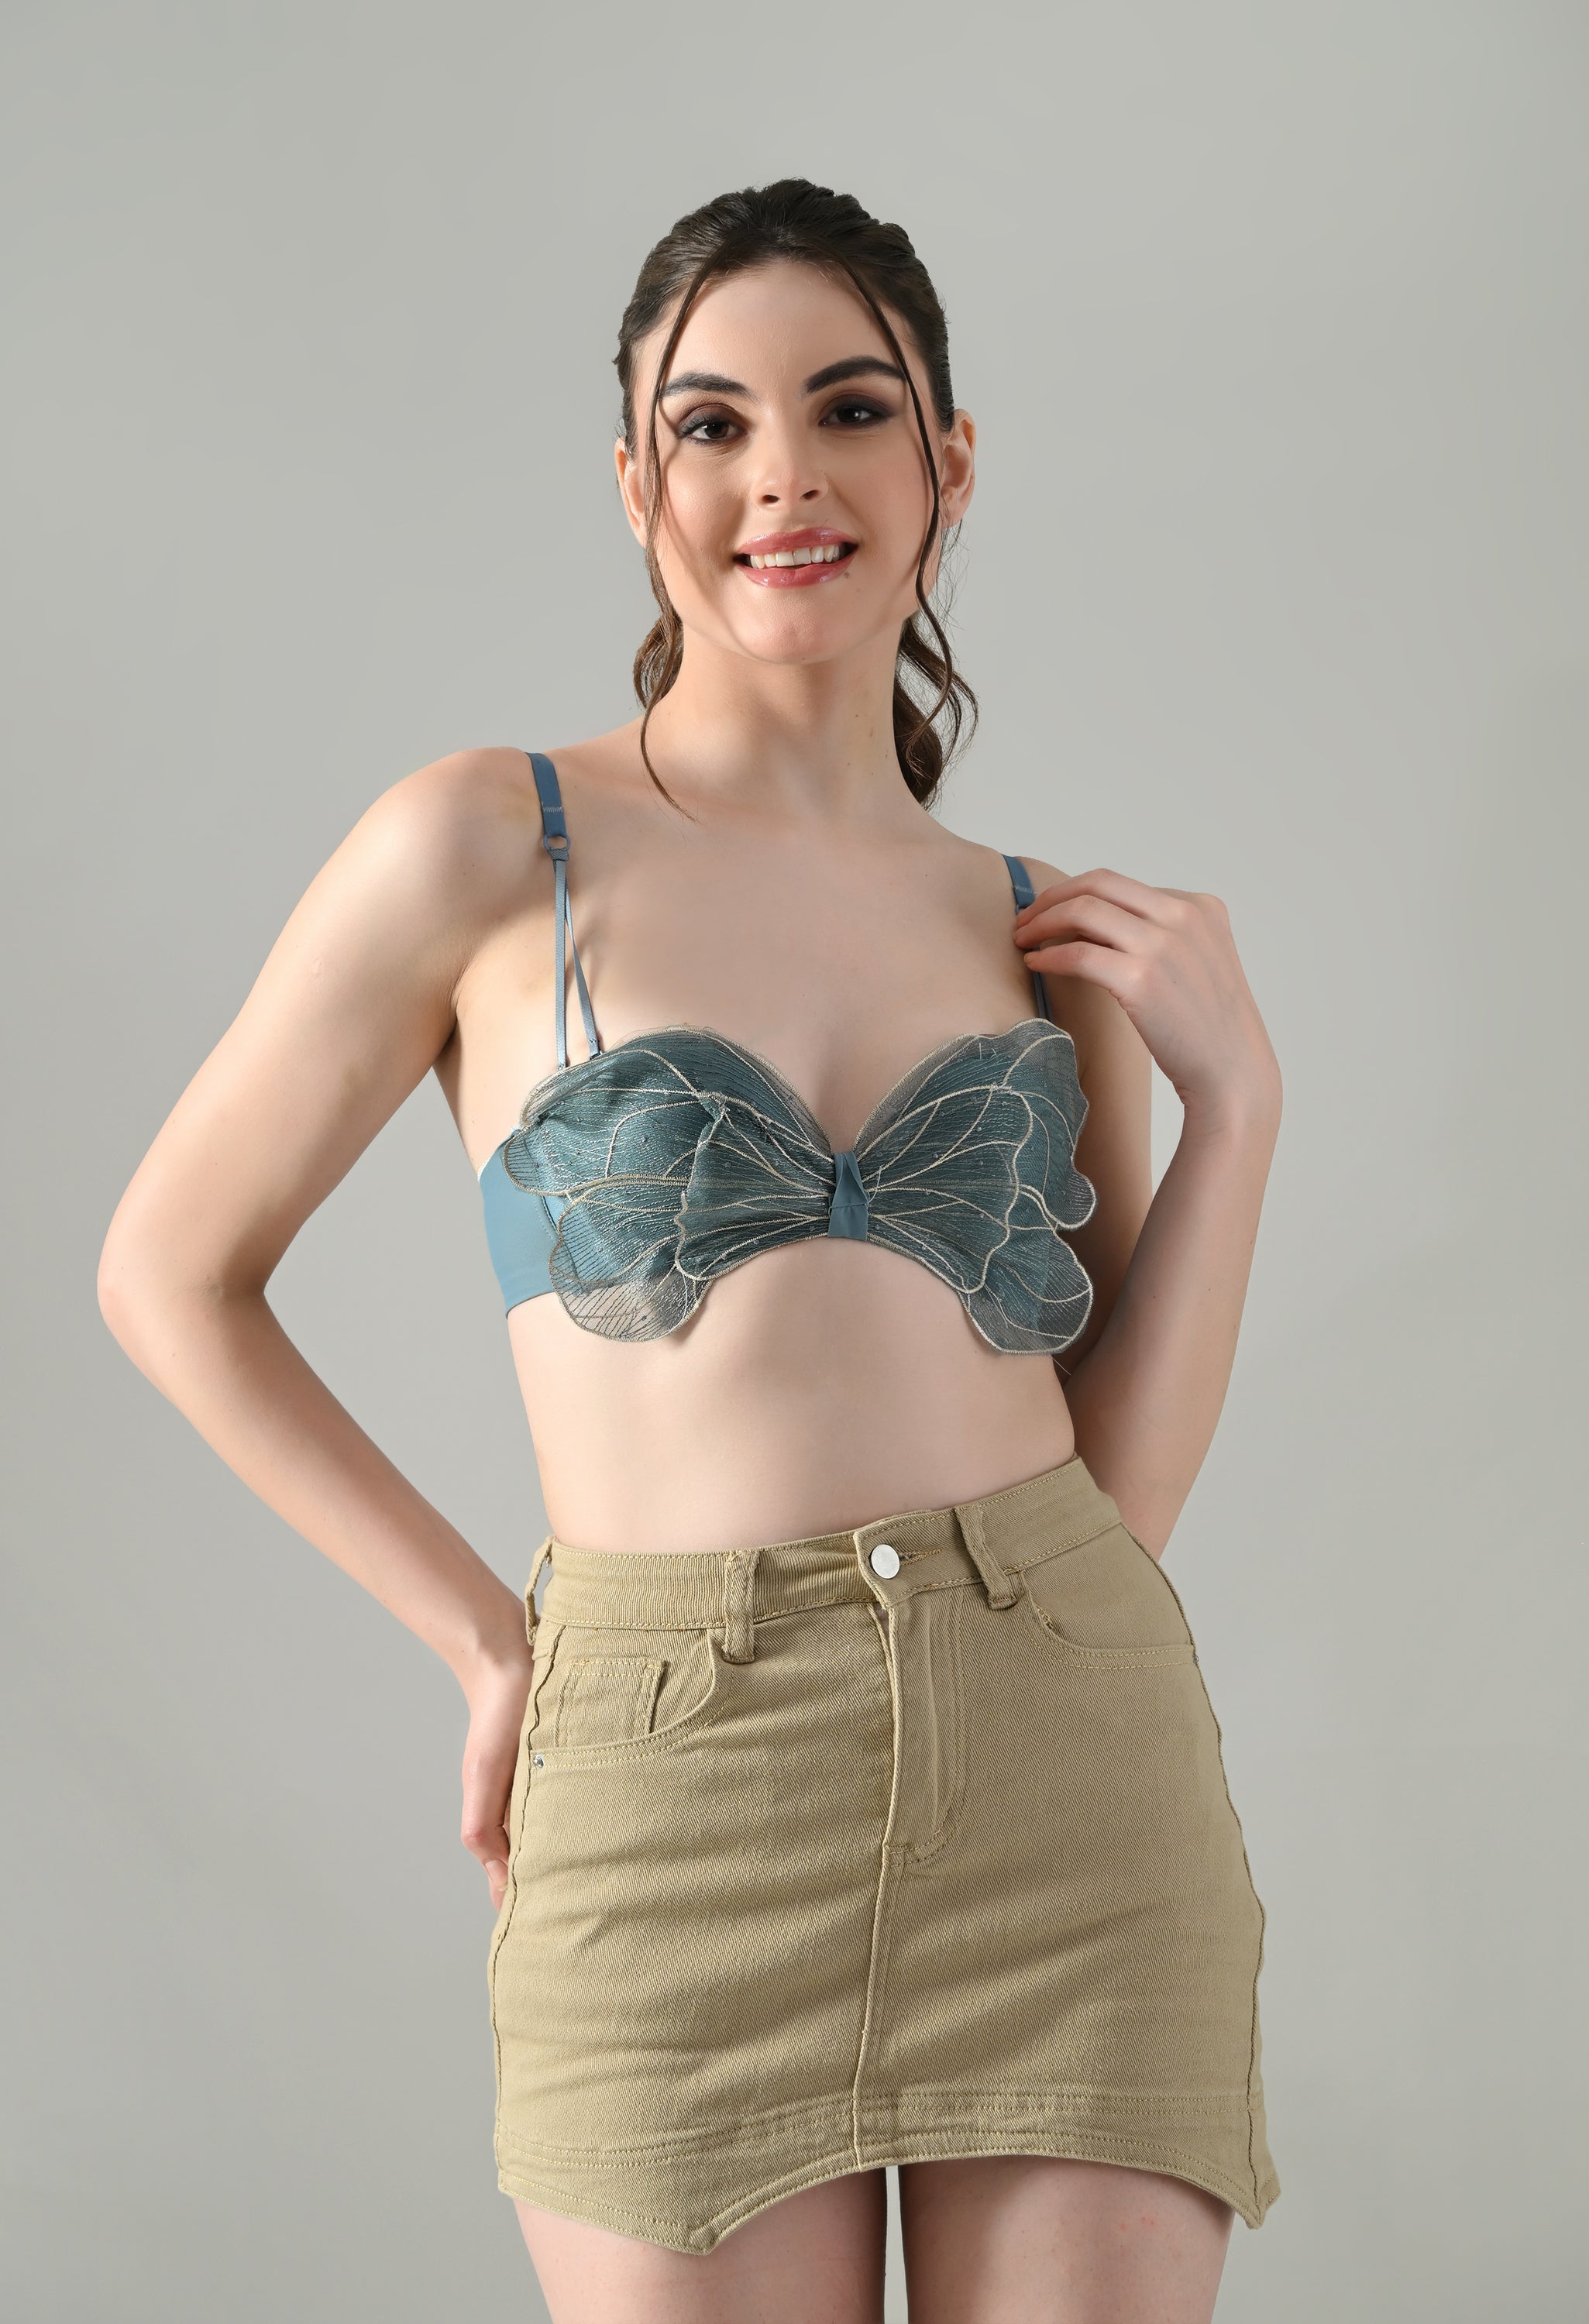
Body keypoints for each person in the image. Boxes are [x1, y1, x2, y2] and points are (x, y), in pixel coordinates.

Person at [98, 179, 1285, 2324]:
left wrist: (1242, 1119)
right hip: (672, 1785)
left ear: (948, 463)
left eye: (850, 409)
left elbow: (1120, 1500)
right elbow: (166, 1274)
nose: (784, 476)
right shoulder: (492, 845)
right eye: (713, 424)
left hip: (1072, 1788)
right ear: (636, 482)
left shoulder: (1040, 935)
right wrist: (487, 1644)